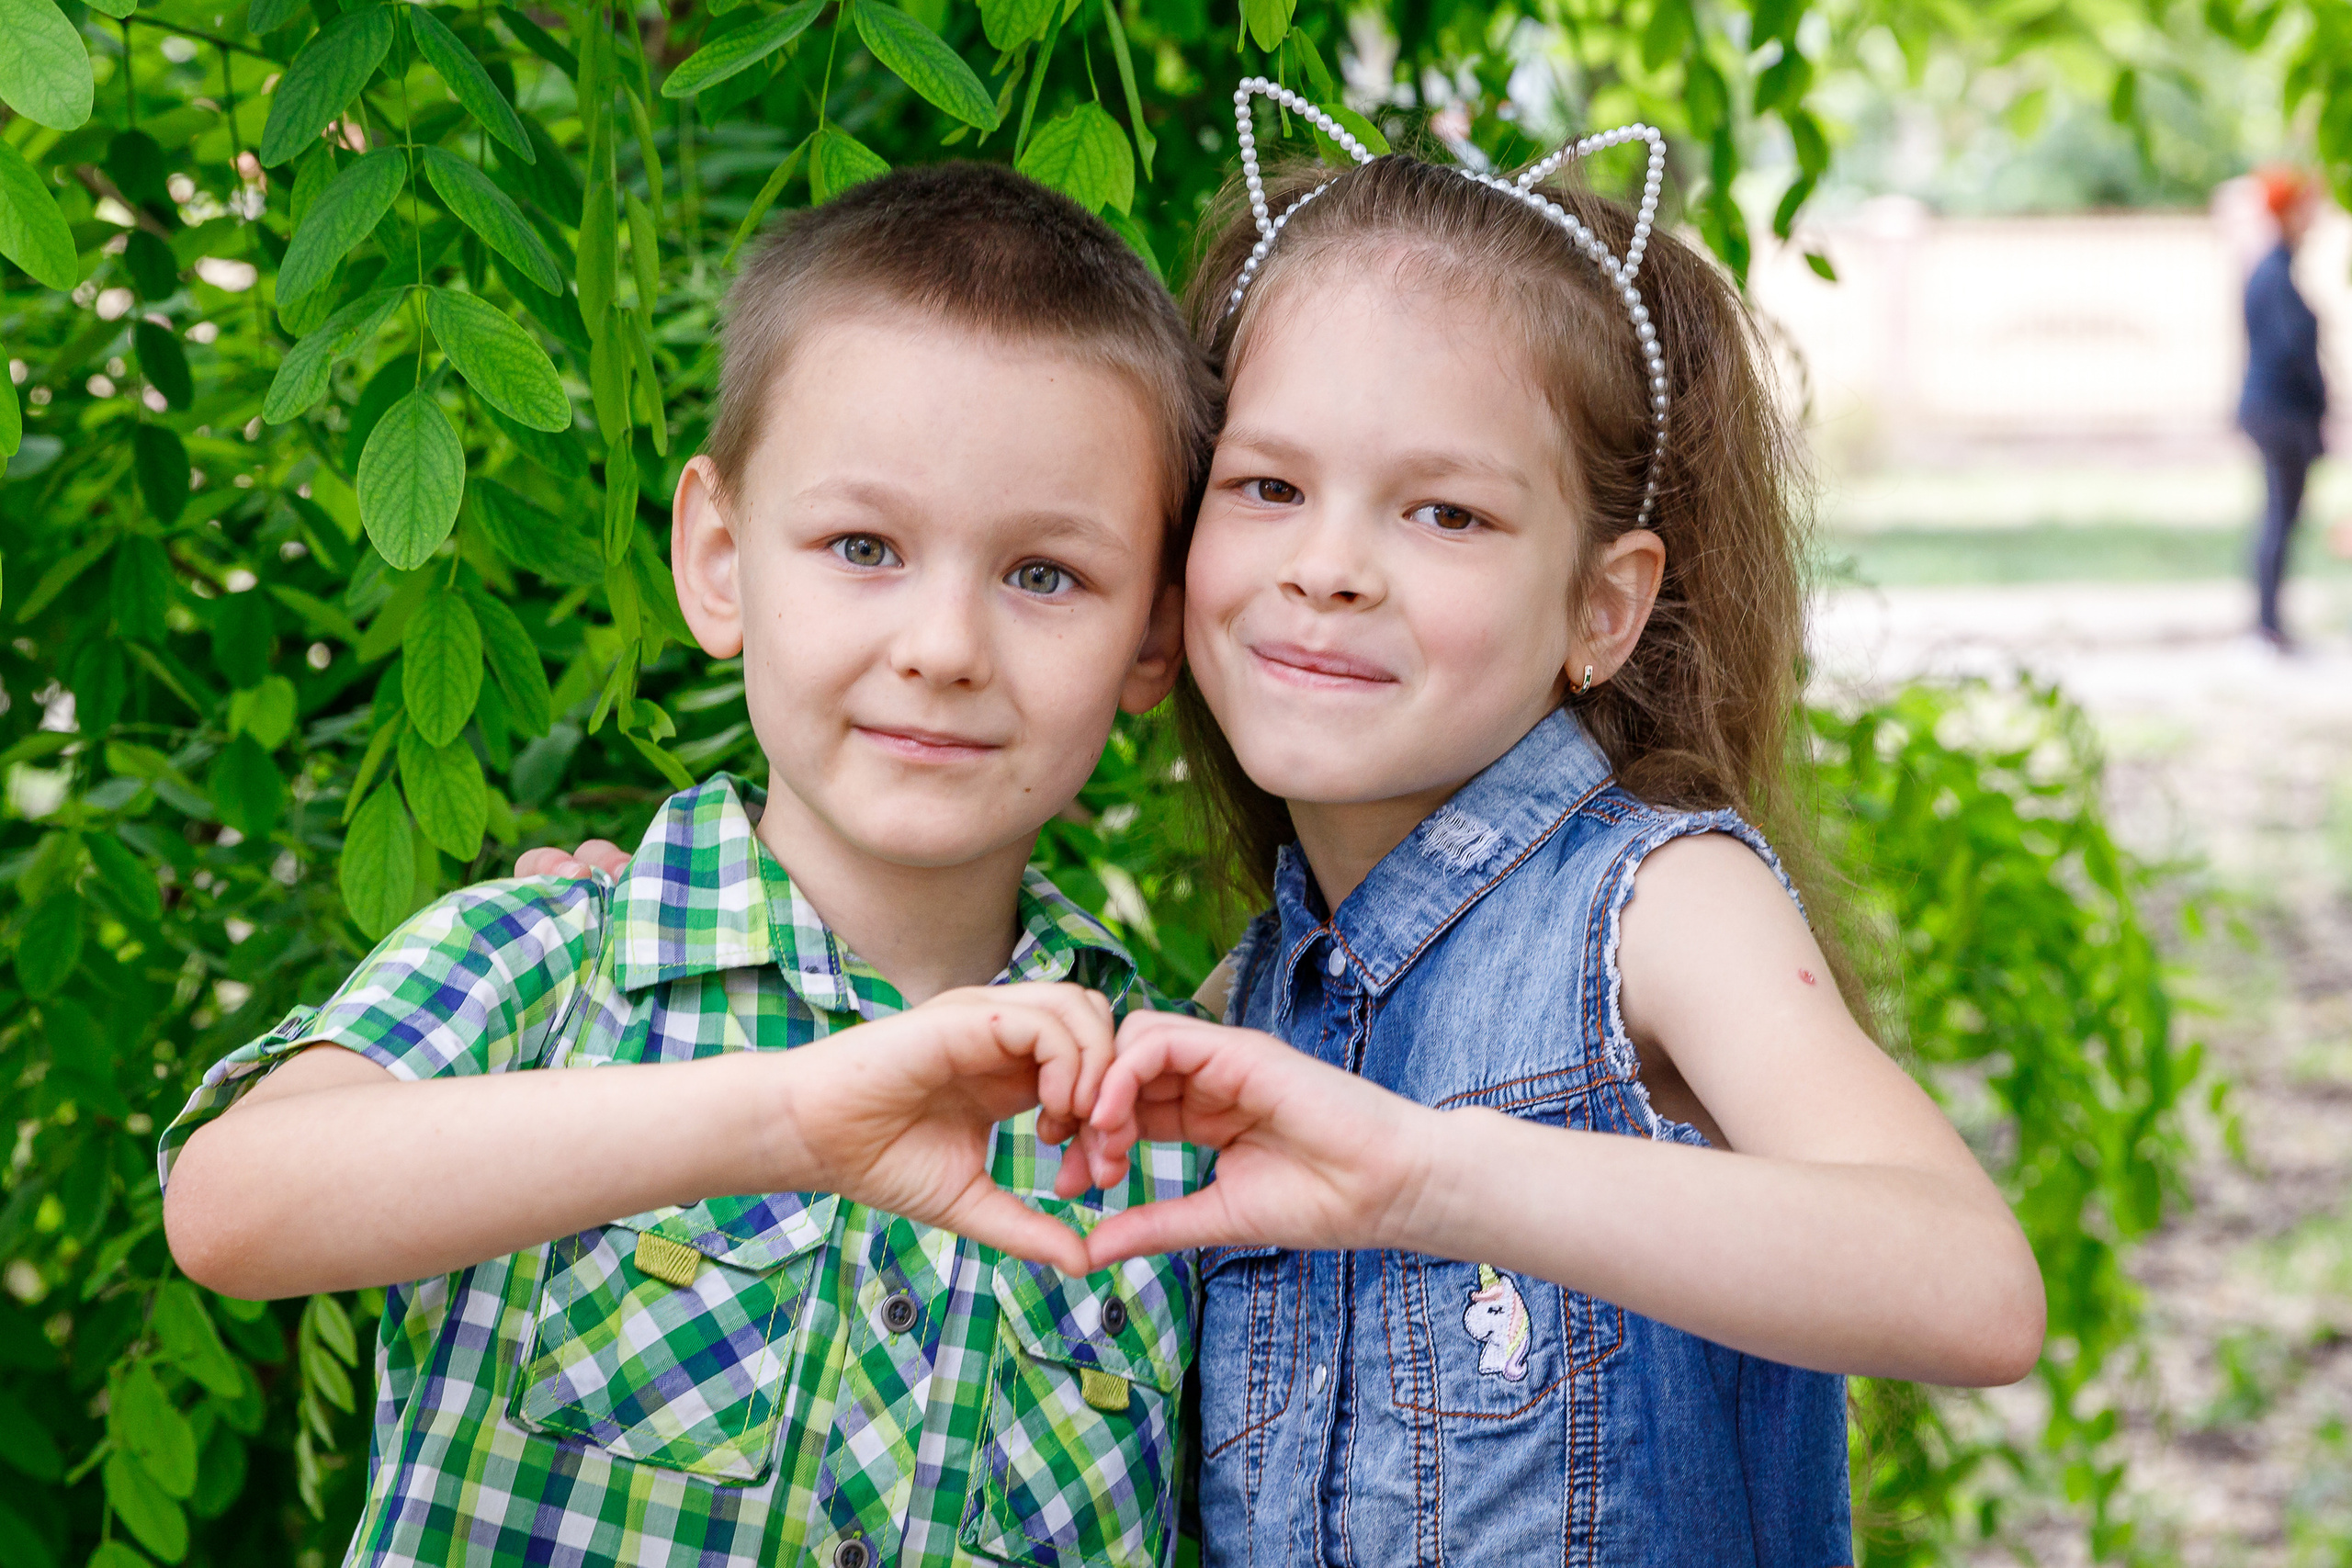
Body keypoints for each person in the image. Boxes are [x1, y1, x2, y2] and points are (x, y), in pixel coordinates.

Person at [161, 163, 1222, 1568]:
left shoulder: (1157, 1101)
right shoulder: (550, 955)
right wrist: (785, 1116)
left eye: (1043, 574)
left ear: (1153, 633)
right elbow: (235, 1204)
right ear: (719, 557)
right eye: (864, 546)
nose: (945, 645)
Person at [1061, 93, 2042, 1566]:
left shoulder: (1659, 905)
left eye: (1445, 513)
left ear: (1603, 604)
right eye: (1269, 487)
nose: (1329, 565)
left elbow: (1971, 1285)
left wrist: (1437, 1174)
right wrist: (622, 920)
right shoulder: (1256, 996)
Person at [2241, 165, 2327, 650]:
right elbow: (2291, 353)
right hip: (2278, 413)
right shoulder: (2274, 273)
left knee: (2283, 517)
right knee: (2279, 517)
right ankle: (2267, 626)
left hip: (2279, 412)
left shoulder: (2278, 268)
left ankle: (2271, 624)